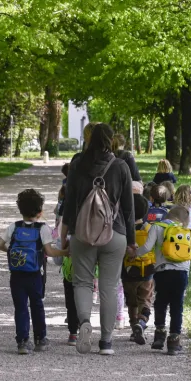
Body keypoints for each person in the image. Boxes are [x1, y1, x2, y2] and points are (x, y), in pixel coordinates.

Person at [60, 123, 135, 356]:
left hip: (83, 234)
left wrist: (64, 236)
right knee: (109, 287)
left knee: (82, 282)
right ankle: (106, 342)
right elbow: (129, 209)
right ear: (111, 140)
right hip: (115, 233)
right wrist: (131, 241)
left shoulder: (77, 164)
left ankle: (83, 322)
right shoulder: (121, 166)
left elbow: (69, 204)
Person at [0, 189, 67, 355]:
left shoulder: (14, 226)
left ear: (20, 210)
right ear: (40, 212)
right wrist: (65, 252)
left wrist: (11, 252)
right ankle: (40, 339)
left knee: (20, 307)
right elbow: (49, 251)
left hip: (16, 275)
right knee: (37, 305)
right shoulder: (43, 229)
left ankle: (22, 341)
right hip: (35, 274)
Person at [134, 205, 191, 355]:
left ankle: (159, 337)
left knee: (161, 303)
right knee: (177, 306)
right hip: (181, 273)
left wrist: (134, 253)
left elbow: (147, 247)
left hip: (162, 272)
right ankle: (174, 341)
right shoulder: (185, 232)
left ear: (168, 214)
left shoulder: (157, 227)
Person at [123, 194, 156, 345]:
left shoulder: (124, 231)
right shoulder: (150, 229)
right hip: (147, 271)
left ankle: (133, 328)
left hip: (128, 271)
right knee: (145, 300)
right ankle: (142, 323)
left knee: (132, 303)